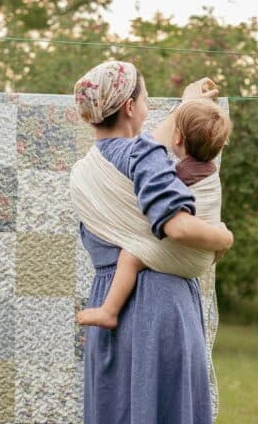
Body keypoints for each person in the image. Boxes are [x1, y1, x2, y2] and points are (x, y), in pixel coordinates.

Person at [71, 61, 232, 424]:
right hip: (160, 308)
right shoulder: (144, 155)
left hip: (110, 306)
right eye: (144, 99)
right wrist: (224, 238)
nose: (149, 109)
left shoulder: (89, 169)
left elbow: (155, 146)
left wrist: (188, 105)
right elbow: (176, 226)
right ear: (129, 106)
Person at [75, 98, 232, 330]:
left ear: (177, 138)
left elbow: (154, 178)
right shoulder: (208, 171)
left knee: (131, 256)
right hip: (201, 260)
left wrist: (226, 238)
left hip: (187, 258)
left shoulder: (181, 173)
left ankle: (109, 311)